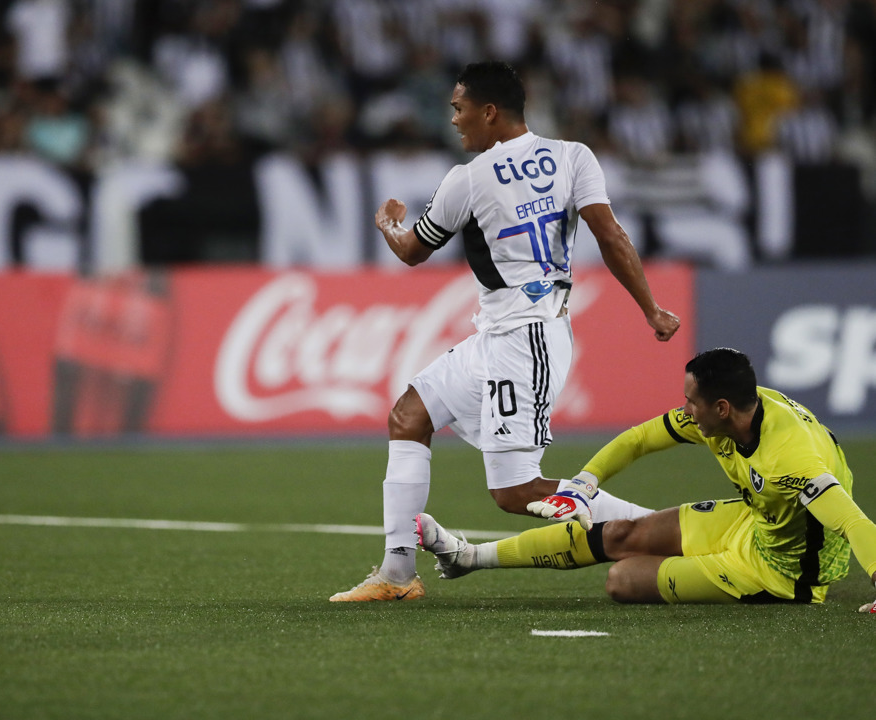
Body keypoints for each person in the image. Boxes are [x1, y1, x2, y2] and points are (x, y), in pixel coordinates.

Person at [330, 61, 680, 602]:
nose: (453, 120)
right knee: (409, 414)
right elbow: (610, 235)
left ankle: (673, 531)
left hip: (528, 339)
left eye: (458, 107)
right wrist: (651, 309)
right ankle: (397, 573)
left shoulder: (466, 179)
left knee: (516, 491)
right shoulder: (573, 156)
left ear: (488, 111)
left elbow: (413, 252)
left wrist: (386, 224)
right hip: (502, 335)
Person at [416, 348, 876, 611]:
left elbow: (854, 522)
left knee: (621, 579)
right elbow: (640, 438)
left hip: (782, 573)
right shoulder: (734, 412)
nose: (684, 409)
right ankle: (467, 557)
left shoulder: (791, 459)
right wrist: (585, 481)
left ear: (721, 408)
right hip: (757, 521)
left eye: (691, 401)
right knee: (621, 533)